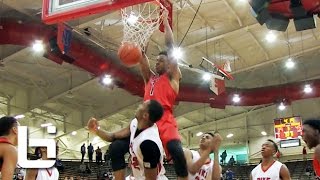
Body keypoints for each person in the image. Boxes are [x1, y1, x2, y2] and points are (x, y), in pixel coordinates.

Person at [109, 10, 188, 179]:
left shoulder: (173, 77)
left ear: (169, 65)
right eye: (157, 60)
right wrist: (140, 41)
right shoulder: (149, 79)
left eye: (161, 60)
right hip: (146, 119)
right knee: (116, 148)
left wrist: (165, 22)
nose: (157, 62)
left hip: (165, 120)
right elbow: (141, 57)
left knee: (177, 152)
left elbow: (170, 47)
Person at [88, 100, 167, 179]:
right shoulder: (135, 124)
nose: (139, 106)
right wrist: (96, 130)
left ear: (145, 115)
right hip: (137, 177)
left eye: (142, 105)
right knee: (116, 146)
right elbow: (112, 136)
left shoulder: (148, 143)